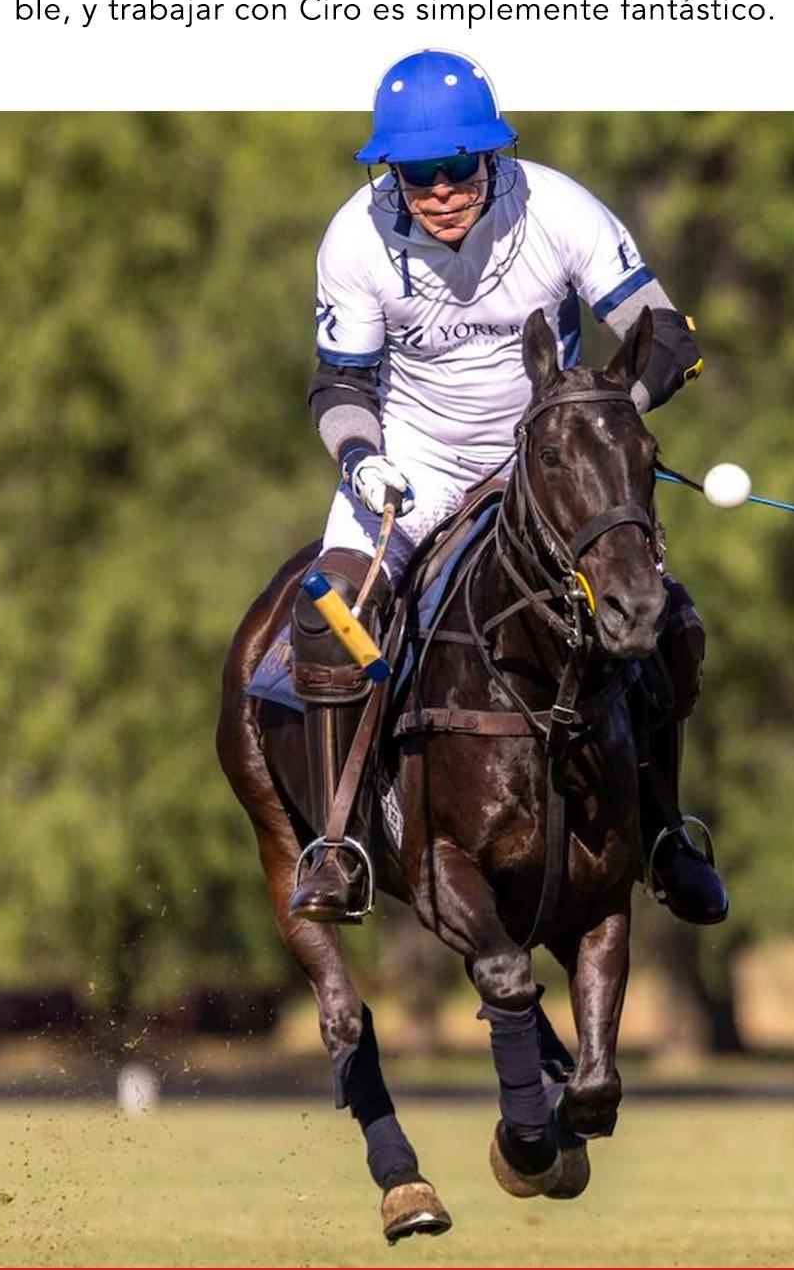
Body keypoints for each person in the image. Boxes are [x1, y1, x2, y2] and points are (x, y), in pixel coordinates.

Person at [289, 48, 729, 928]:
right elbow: (340, 384)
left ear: (491, 156)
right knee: (330, 616)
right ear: (390, 173)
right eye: (417, 173)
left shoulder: (557, 211)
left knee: (669, 624)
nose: (440, 190)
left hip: (546, 466)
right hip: (411, 462)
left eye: (458, 166)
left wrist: (601, 420)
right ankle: (339, 847)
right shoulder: (355, 239)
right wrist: (362, 456)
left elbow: (666, 335)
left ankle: (663, 834)